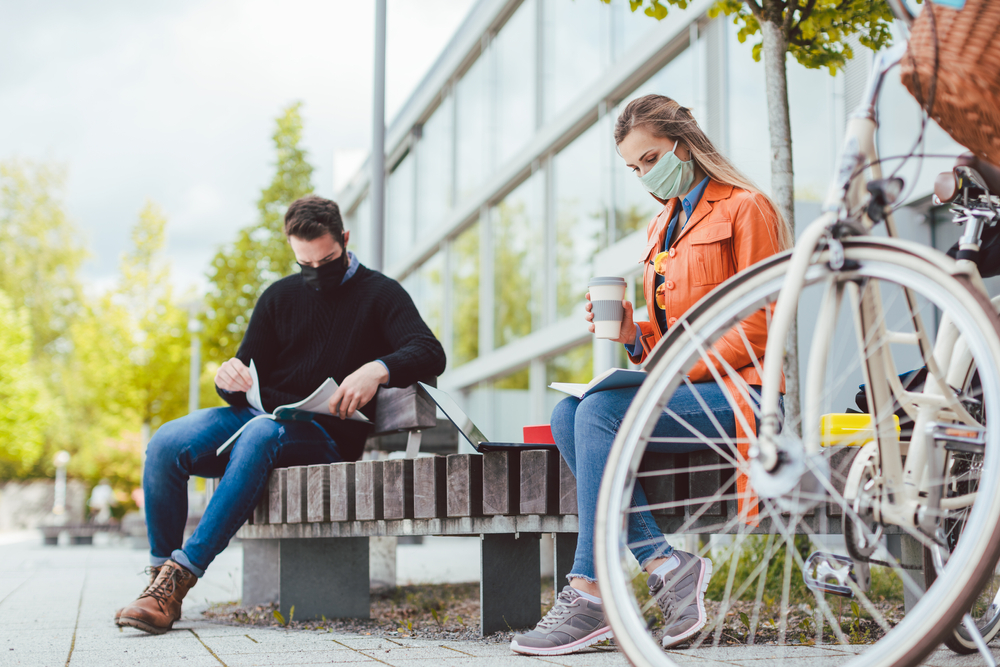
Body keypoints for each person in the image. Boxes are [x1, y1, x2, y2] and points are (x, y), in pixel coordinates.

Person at [511, 94, 791, 656]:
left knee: (597, 411)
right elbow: (667, 344)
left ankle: (591, 592)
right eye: (634, 167)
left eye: (650, 158)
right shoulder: (660, 227)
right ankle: (664, 563)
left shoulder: (747, 207)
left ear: (683, 146)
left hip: (745, 398)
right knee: (570, 412)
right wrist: (635, 336)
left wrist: (666, 366)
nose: (644, 174)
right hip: (687, 390)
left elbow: (763, 328)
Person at [115, 195, 446, 635]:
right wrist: (226, 377)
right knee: (165, 443)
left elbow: (430, 351)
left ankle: (179, 579)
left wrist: (377, 369)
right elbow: (245, 372)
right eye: (304, 264)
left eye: (326, 259)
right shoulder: (278, 297)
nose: (316, 273)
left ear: (345, 239)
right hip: (262, 418)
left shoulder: (380, 293)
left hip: (323, 437)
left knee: (260, 434)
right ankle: (157, 581)